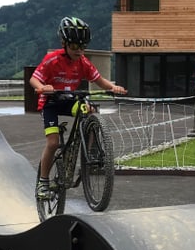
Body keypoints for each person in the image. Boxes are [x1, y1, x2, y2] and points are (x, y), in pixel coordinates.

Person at [29, 16, 127, 199]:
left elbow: (100, 81)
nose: (79, 50)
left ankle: (88, 153)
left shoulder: (83, 62)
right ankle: (43, 183)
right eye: (74, 46)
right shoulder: (52, 59)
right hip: (50, 103)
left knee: (90, 109)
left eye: (83, 47)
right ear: (64, 43)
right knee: (53, 143)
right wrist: (42, 87)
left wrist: (113, 87)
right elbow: (34, 79)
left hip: (68, 101)